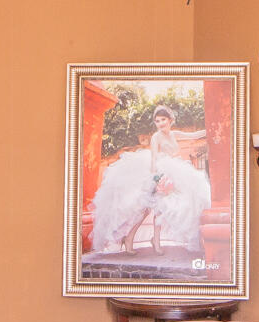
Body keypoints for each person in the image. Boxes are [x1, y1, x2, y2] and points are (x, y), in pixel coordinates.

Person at [89, 105, 213, 257]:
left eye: (163, 120)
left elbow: (194, 135)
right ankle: (129, 238)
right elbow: (154, 158)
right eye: (157, 121)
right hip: (157, 173)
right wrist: (157, 179)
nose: (160, 123)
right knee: (143, 210)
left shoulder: (175, 134)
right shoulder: (156, 137)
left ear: (170, 120)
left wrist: (211, 129)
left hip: (174, 172)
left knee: (161, 209)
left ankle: (156, 241)